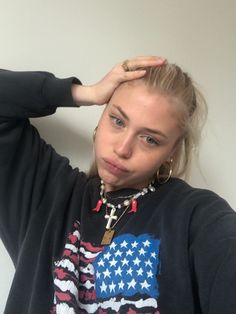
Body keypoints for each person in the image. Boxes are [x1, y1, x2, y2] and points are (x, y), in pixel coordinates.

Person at [0, 56, 235, 314]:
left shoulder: (197, 217)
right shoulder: (47, 192)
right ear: (101, 117)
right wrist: (83, 92)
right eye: (118, 121)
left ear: (171, 151)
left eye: (150, 139)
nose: (122, 149)